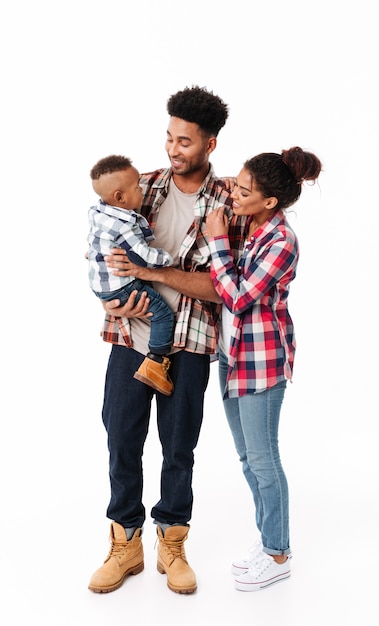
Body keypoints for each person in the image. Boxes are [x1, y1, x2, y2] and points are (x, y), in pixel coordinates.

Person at [88, 86, 237, 595]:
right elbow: (102, 254)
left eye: (186, 142)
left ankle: (172, 543)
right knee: (121, 441)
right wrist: (109, 298)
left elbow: (224, 288)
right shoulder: (138, 186)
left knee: (179, 449)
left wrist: (161, 272)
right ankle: (125, 542)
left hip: (189, 346)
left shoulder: (229, 202)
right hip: (130, 339)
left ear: (210, 145)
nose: (174, 150)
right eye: (170, 138)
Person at [206, 147, 322, 592]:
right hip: (231, 354)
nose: (233, 192)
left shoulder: (281, 241)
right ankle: (267, 537)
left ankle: (278, 553)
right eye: (236, 183)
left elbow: (237, 297)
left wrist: (217, 242)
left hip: (261, 361)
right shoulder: (250, 221)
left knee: (264, 458)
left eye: (243, 189)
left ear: (270, 201)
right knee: (245, 457)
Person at [87, 154, 175, 395]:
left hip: (100, 283)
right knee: (163, 314)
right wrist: (167, 258)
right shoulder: (124, 225)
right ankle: (156, 362)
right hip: (120, 286)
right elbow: (142, 256)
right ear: (120, 197)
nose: (142, 190)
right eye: (137, 187)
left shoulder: (99, 211)